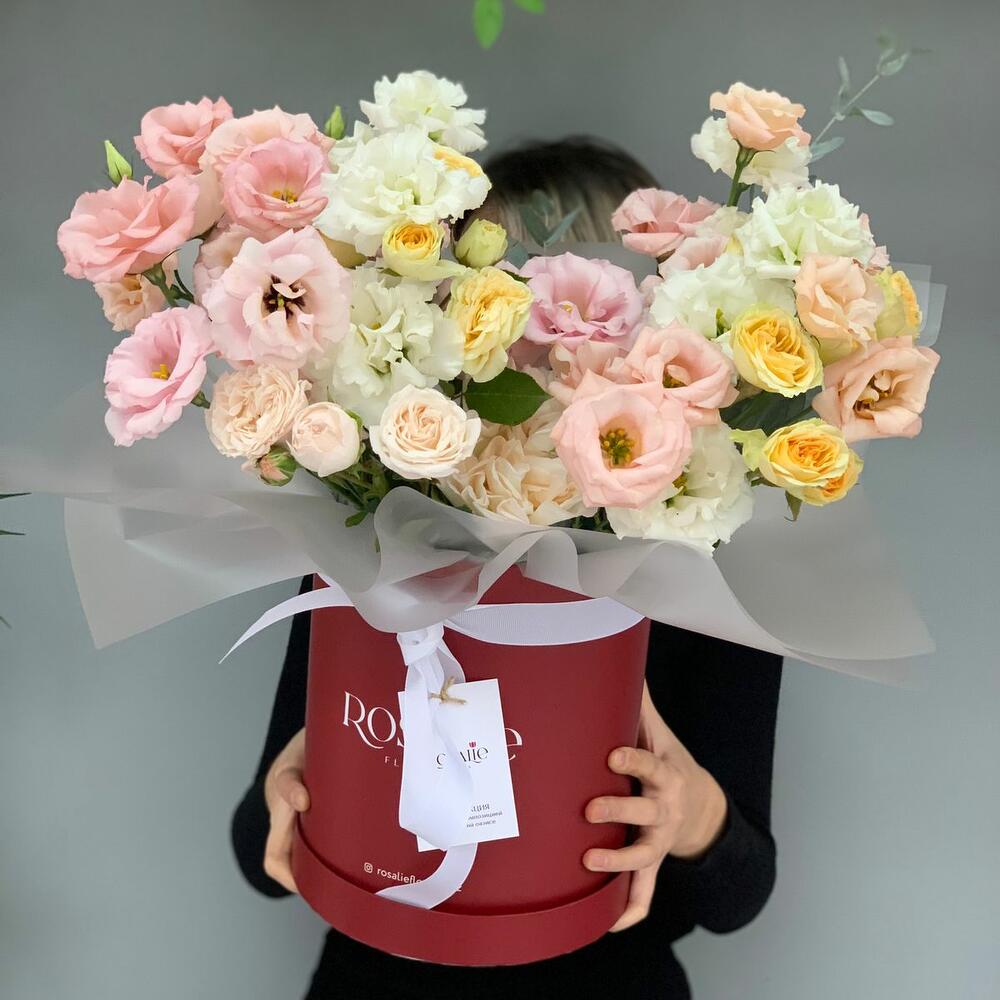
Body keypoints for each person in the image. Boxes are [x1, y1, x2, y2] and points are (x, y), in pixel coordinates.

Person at [231, 137, 783, 1000]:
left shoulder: (702, 565)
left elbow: (740, 895)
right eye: (506, 312)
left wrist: (694, 815)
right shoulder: (373, 547)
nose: (551, 351)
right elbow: (257, 853)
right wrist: (296, 793)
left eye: (591, 317)